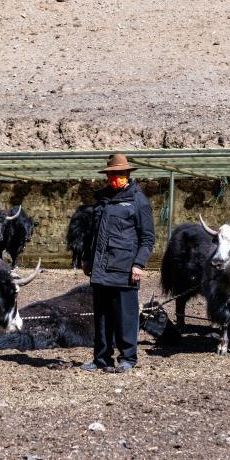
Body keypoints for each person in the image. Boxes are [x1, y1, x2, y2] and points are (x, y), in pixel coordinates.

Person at [81, 153, 155, 373]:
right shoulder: (102, 200)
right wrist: (87, 259)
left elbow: (147, 238)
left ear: (128, 174)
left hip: (125, 269)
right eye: (113, 174)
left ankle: (128, 358)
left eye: (120, 174)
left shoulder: (138, 201)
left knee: (127, 316)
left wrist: (139, 264)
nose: (116, 178)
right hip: (101, 268)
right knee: (102, 316)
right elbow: (92, 234)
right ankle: (101, 358)